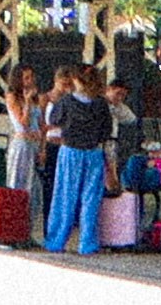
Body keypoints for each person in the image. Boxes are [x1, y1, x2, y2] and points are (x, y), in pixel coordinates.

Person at [36, 61, 113, 257]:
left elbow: (53, 120)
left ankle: (56, 240)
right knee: (90, 199)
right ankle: (88, 243)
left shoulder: (67, 102)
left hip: (70, 152)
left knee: (64, 196)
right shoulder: (101, 103)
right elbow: (107, 131)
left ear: (76, 80)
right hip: (94, 153)